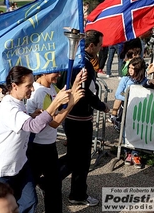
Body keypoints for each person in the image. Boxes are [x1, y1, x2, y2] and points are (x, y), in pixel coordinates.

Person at [0, 66, 84, 213]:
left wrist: (31, 114)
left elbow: (25, 121)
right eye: (28, 86)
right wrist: (56, 103)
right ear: (14, 86)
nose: (32, 89)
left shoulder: (19, 102)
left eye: (32, 84)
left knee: (29, 201)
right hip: (2, 170)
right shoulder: (8, 106)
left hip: (20, 165)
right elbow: (35, 126)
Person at [59, 30, 109, 207]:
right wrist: (102, 106)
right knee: (81, 160)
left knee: (75, 157)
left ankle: (49, 181)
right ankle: (77, 194)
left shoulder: (78, 59)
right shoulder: (84, 63)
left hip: (72, 115)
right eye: (99, 44)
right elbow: (84, 92)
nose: (101, 47)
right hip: (78, 117)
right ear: (91, 45)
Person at [26, 70, 86, 213]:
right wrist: (71, 104)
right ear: (44, 72)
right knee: (27, 187)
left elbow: (67, 94)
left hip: (49, 145)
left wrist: (77, 81)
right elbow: (54, 122)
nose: (59, 75)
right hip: (37, 148)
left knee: (53, 186)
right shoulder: (39, 92)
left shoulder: (51, 87)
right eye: (55, 72)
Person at [111, 57, 146, 168]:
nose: (130, 70)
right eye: (129, 68)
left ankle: (136, 154)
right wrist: (130, 97)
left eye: (133, 68)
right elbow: (117, 94)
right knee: (126, 131)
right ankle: (128, 153)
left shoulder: (144, 80)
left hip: (139, 111)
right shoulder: (125, 79)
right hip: (126, 109)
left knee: (138, 131)